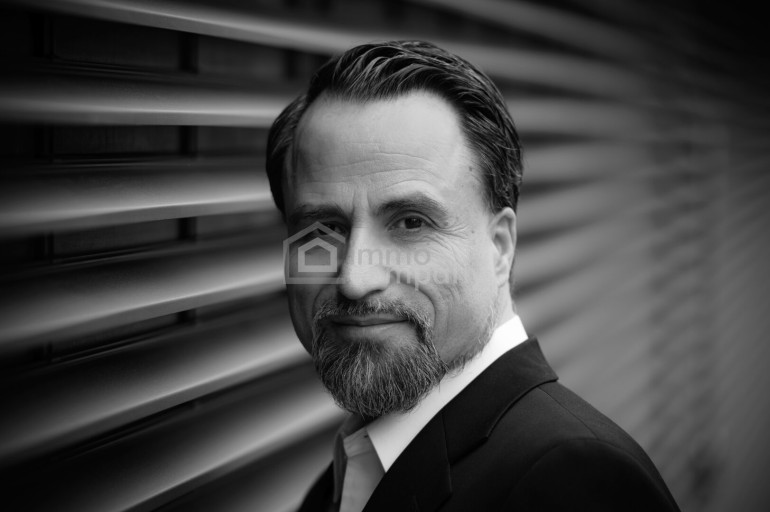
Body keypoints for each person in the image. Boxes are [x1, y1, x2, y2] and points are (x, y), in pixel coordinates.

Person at [266, 40, 680, 512]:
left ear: (500, 246)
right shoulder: (354, 472)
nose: (355, 280)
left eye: (410, 223)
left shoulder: (574, 480)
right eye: (325, 228)